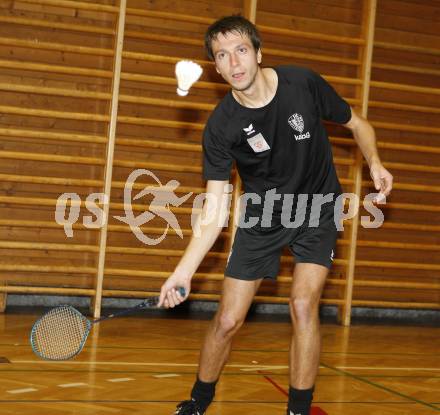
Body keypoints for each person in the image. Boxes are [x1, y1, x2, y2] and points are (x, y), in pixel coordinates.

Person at [158, 15, 393, 415]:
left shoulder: (302, 84)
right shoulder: (221, 127)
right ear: (216, 68)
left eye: (241, 50)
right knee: (229, 319)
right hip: (262, 215)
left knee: (303, 304)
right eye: (223, 56)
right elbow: (214, 212)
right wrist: (183, 271)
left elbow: (358, 124)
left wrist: (374, 163)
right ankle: (199, 400)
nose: (234, 63)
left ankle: (298, 410)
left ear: (259, 53)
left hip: (318, 205)